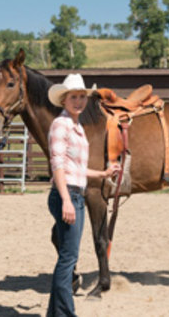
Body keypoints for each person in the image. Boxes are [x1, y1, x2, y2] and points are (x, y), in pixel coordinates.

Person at [46, 74, 119, 316]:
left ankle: (54, 313)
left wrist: (104, 173)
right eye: (73, 97)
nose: (78, 101)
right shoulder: (61, 125)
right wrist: (66, 199)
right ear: (64, 100)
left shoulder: (76, 125)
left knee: (67, 257)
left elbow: (75, 168)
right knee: (68, 259)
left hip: (75, 192)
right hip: (68, 195)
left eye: (81, 97)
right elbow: (57, 164)